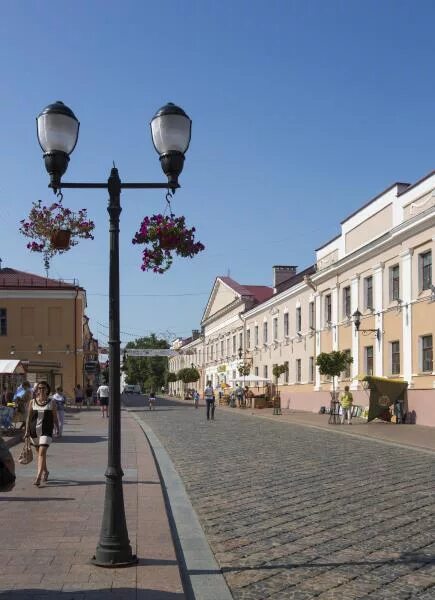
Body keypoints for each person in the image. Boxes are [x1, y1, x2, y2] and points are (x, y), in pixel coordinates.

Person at [24, 381, 58, 486]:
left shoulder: (52, 402)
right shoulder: (32, 402)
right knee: (40, 454)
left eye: (43, 388)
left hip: (46, 431)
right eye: (39, 388)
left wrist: (57, 429)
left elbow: (55, 417)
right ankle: (46, 471)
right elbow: (29, 417)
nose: (41, 390)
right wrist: (26, 431)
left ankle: (38, 477)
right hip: (34, 431)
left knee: (42, 452)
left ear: (47, 389)